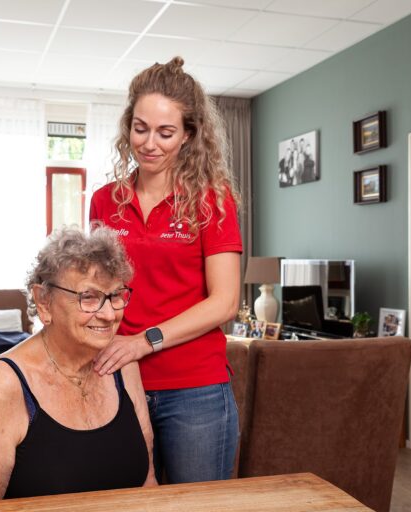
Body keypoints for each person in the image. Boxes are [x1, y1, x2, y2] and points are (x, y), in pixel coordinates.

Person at [89, 56, 242, 484]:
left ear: (189, 135)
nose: (149, 143)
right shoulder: (106, 200)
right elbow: (99, 289)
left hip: (195, 390)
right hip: (118, 380)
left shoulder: (213, 200)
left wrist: (144, 342)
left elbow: (225, 301)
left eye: (166, 132)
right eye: (140, 128)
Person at [0, 227, 156, 502]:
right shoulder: (3, 383)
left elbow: (148, 487)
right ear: (44, 302)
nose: (110, 314)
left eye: (116, 296)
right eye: (89, 297)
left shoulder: (123, 364)